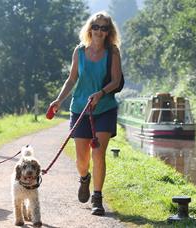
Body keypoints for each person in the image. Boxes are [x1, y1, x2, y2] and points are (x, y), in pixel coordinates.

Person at [49, 11, 122, 216]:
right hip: (80, 109)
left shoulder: (113, 52)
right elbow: (71, 79)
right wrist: (59, 100)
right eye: (96, 27)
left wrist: (101, 93)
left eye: (104, 28)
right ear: (90, 29)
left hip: (104, 108)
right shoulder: (79, 51)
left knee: (99, 154)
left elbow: (116, 81)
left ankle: (97, 198)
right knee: (82, 159)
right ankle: (84, 178)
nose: (99, 31)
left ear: (109, 32)